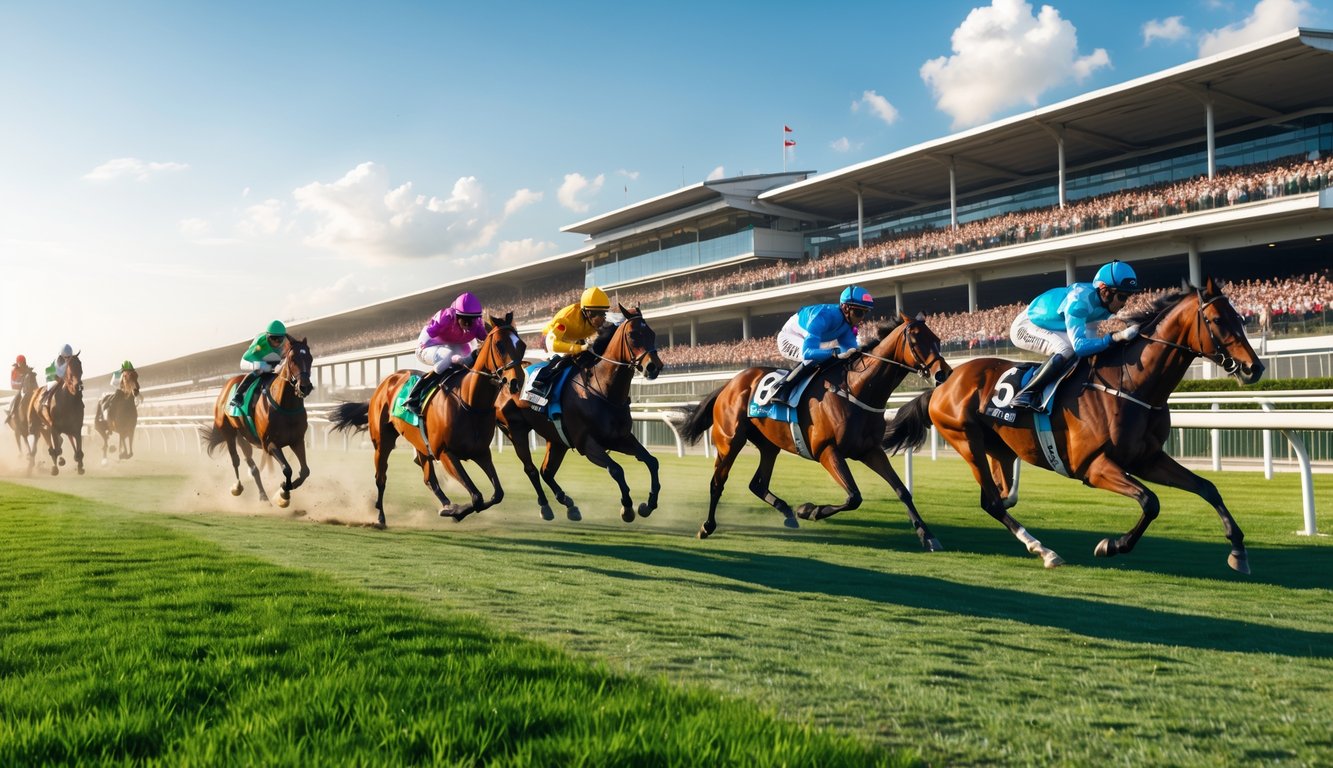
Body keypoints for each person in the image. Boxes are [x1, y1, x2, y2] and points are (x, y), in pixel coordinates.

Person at [1008, 259, 1143, 411]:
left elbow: (1091, 343)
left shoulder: (1104, 304)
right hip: (1026, 326)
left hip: (1052, 324)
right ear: (1105, 290)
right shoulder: (1079, 302)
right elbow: (1079, 346)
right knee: (1066, 349)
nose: (1124, 303)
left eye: (1128, 297)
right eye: (1122, 297)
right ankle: (1026, 393)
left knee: (1089, 352)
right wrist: (1114, 338)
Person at [772, 285, 872, 403]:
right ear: (845, 308)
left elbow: (853, 353)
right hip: (789, 338)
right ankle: (782, 389)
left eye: (865, 312)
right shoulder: (823, 316)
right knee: (813, 359)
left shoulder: (847, 327)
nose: (862, 318)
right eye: (859, 312)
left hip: (811, 340)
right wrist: (834, 353)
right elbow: (808, 352)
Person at [403, 292, 486, 416]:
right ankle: (413, 397)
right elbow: (428, 335)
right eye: (465, 320)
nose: (468, 325)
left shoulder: (478, 324)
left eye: (472, 320)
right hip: (430, 343)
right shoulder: (445, 317)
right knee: (446, 359)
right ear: (457, 315)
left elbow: (489, 340)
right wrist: (427, 350)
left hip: (454, 344)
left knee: (469, 359)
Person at [527, 286, 611, 401]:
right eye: (599, 314)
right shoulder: (567, 318)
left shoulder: (595, 320)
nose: (603, 319)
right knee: (564, 358)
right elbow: (553, 344)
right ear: (588, 313)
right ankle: (540, 382)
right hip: (552, 338)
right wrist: (579, 348)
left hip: (575, 338)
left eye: (604, 314)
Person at [229, 320, 289, 411]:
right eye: (273, 338)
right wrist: (269, 367)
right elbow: (251, 357)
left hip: (268, 360)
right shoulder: (260, 343)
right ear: (267, 336)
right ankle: (238, 395)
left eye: (279, 339)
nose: (276, 342)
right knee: (260, 369)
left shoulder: (286, 343)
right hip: (248, 360)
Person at [6, 354, 33, 423]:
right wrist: (21, 383)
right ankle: (10, 412)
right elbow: (13, 383)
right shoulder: (14, 371)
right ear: (18, 363)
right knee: (16, 398)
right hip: (17, 390)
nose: (22, 365)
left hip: (28, 390)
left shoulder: (27, 369)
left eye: (23, 363)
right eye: (21, 363)